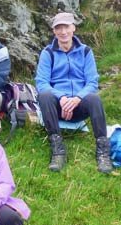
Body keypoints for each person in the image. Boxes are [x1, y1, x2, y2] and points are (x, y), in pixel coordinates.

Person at [35, 12, 112, 173]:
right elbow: (41, 82)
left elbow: (92, 82)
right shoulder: (47, 53)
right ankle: (58, 150)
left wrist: (77, 98)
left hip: (79, 106)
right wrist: (61, 97)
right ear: (54, 31)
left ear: (73, 28)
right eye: (58, 28)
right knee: (45, 95)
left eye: (66, 27)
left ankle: (103, 152)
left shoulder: (85, 52)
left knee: (94, 98)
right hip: (56, 108)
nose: (63, 32)